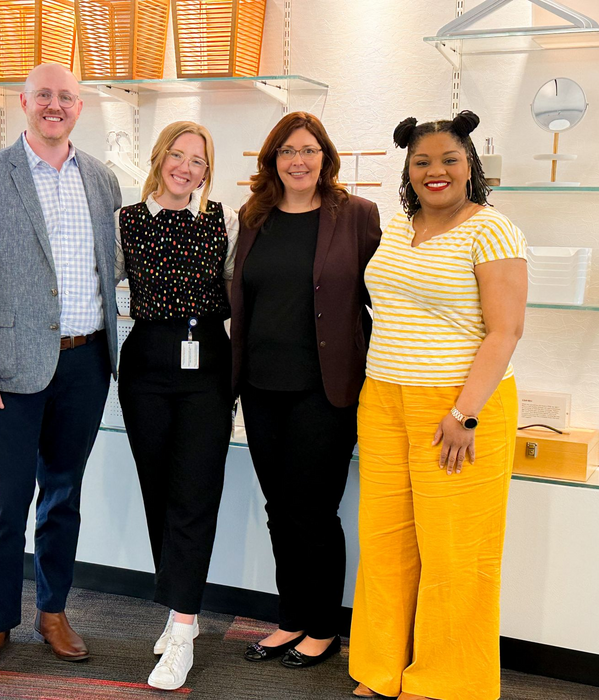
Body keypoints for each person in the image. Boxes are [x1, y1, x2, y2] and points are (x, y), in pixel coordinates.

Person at [0, 63, 122, 675]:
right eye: (44, 94)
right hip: (5, 375)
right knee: (4, 504)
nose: (55, 105)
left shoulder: (101, 180)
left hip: (85, 364)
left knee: (63, 498)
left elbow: (110, 269)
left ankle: (53, 613)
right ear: (24, 102)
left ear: (80, 107)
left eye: (66, 97)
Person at [349, 111, 527, 700]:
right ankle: (381, 668)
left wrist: (464, 414)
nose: (436, 171)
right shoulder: (398, 226)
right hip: (383, 399)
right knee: (386, 542)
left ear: (469, 165)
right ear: (408, 170)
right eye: (422, 161)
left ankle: (445, 680)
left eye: (449, 159)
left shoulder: (493, 229)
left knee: (455, 552)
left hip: (458, 407)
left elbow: (505, 331)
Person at [230, 112, 381, 669]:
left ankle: (323, 628)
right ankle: (290, 619)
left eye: (309, 150)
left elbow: (382, 298)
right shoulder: (254, 216)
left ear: (325, 157)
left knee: (315, 512)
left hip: (325, 390)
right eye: (288, 151)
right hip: (261, 387)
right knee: (279, 509)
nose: (298, 161)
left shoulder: (357, 215)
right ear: (273, 160)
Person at [117, 121, 238, 691]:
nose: (186, 168)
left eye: (199, 161)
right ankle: (178, 608)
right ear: (159, 157)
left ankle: (184, 628)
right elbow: (101, 284)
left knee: (195, 493)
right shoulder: (125, 220)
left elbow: (239, 289)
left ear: (207, 172)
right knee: (159, 493)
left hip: (207, 363)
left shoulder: (224, 220)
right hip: (145, 363)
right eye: (179, 155)